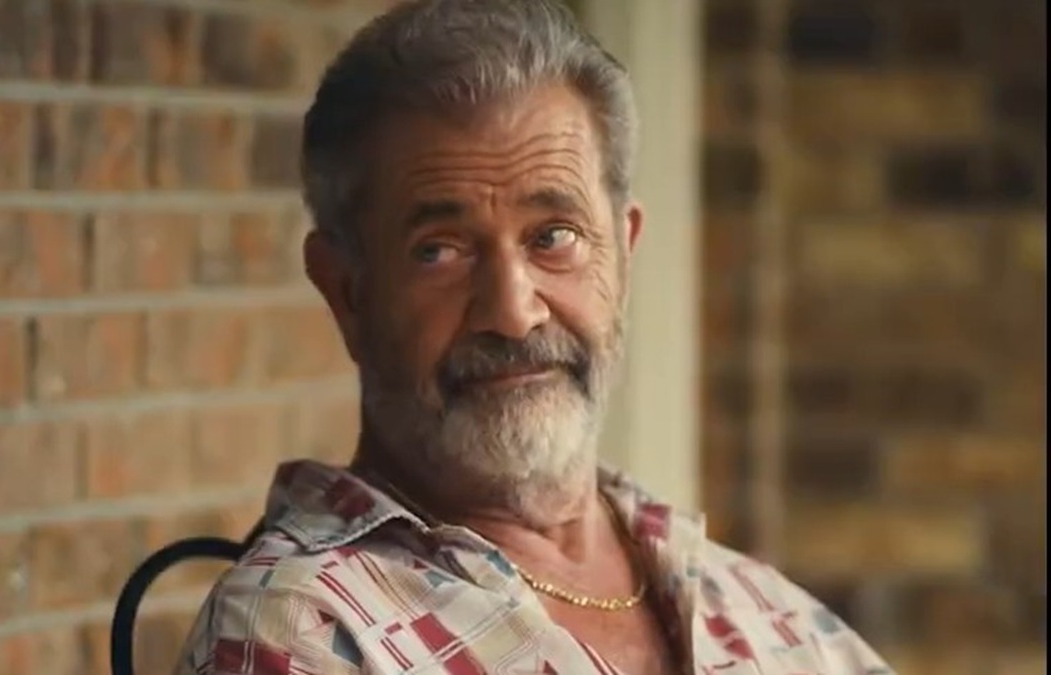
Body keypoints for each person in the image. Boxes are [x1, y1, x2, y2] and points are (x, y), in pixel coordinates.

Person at [175, 1, 895, 673]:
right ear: (347, 292)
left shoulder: (761, 608)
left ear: (623, 254)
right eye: (440, 250)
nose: (513, 313)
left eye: (554, 236)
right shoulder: (304, 629)